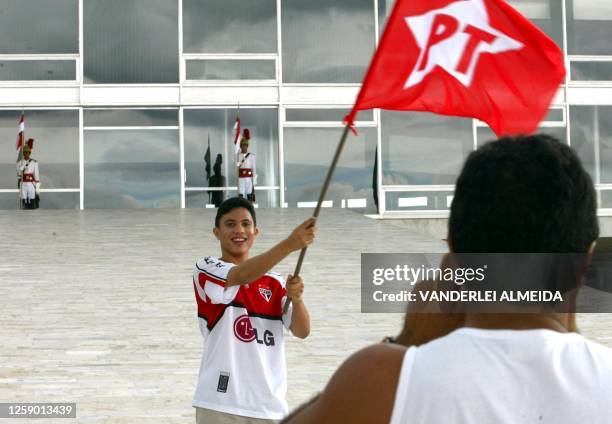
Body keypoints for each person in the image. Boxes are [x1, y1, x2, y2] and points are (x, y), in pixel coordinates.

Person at [282, 134, 612, 424]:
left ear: (451, 250)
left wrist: (407, 340)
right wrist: (571, 326)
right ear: (586, 257)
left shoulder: (382, 380)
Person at [192, 197, 315, 423]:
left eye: (246, 224)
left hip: (268, 407)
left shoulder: (275, 283)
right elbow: (240, 275)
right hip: (220, 405)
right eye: (230, 224)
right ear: (216, 232)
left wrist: (296, 299)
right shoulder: (206, 268)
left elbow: (302, 331)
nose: (239, 230)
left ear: (255, 231)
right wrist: (289, 244)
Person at [16, 139, 40, 209]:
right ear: (23, 153)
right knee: (23, 198)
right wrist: (21, 167)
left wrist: (37, 186)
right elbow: (18, 174)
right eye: (25, 152)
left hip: (31, 183)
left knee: (32, 197)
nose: (26, 153)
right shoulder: (20, 162)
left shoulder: (34, 162)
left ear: (30, 153)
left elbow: (36, 175)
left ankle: (32, 208)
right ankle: (24, 208)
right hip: (23, 182)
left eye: (28, 152)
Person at [237, 129, 256, 202]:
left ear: (247, 146)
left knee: (249, 195)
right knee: (241, 195)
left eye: (245, 145)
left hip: (248, 178)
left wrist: (254, 181)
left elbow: (253, 169)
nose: (244, 147)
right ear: (240, 146)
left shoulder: (251, 156)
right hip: (241, 178)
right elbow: (236, 166)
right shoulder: (238, 156)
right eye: (242, 145)